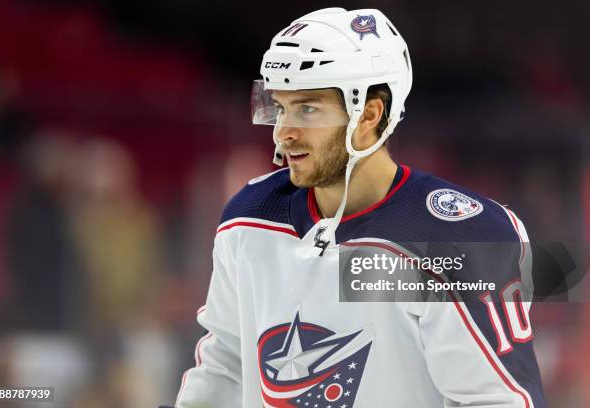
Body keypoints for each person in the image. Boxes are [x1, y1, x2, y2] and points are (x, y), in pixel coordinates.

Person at [175, 7, 546, 407]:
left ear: (369, 114)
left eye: (307, 109)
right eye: (280, 107)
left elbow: (496, 401)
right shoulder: (249, 217)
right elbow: (227, 365)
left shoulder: (454, 239)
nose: (283, 131)